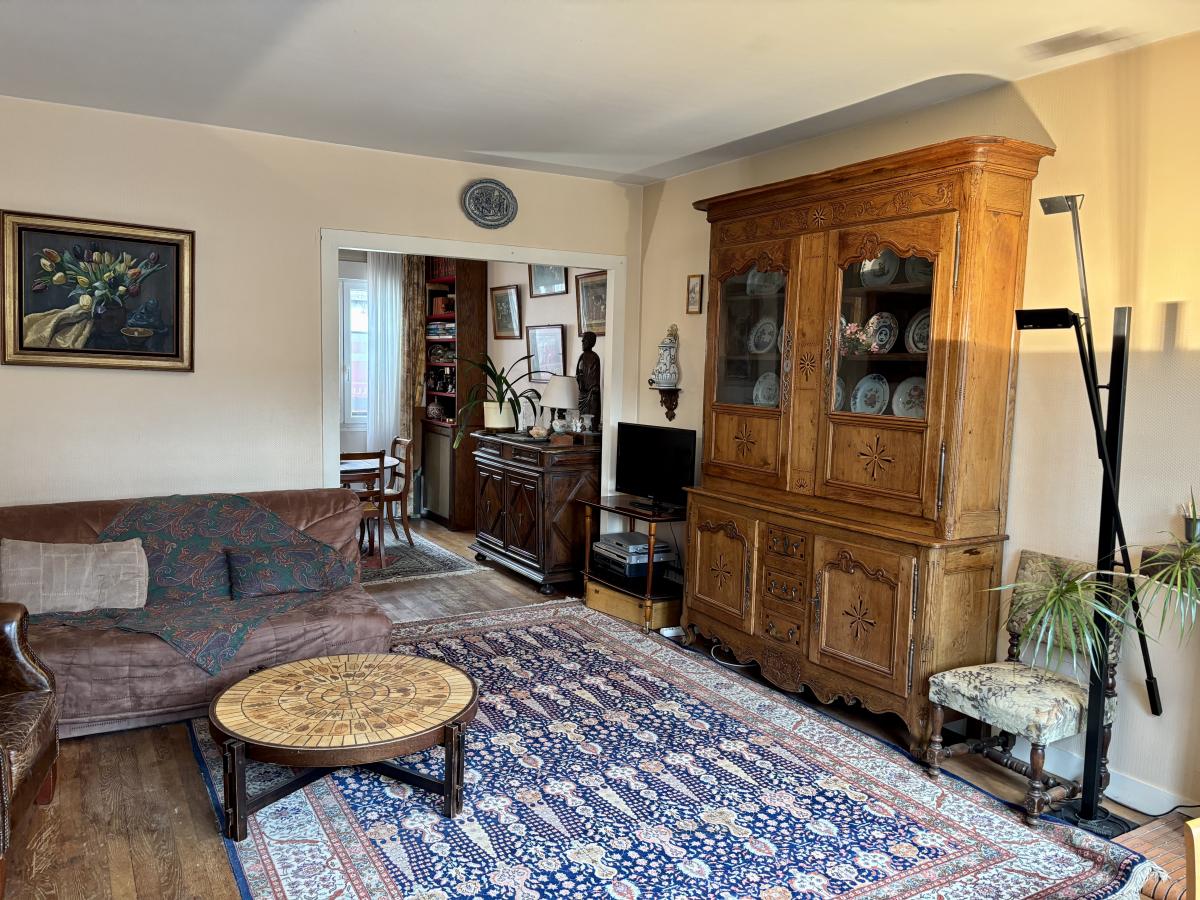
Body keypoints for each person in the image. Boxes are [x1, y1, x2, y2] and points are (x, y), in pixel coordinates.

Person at [575, 330, 601, 428]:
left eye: (584, 340)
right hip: (582, 392)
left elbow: (595, 377)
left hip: (591, 392)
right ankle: (582, 428)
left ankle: (592, 427)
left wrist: (592, 388)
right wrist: (579, 378)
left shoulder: (595, 357)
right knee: (582, 417)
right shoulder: (581, 356)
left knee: (591, 416)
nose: (582, 342)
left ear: (590, 342)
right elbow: (577, 373)